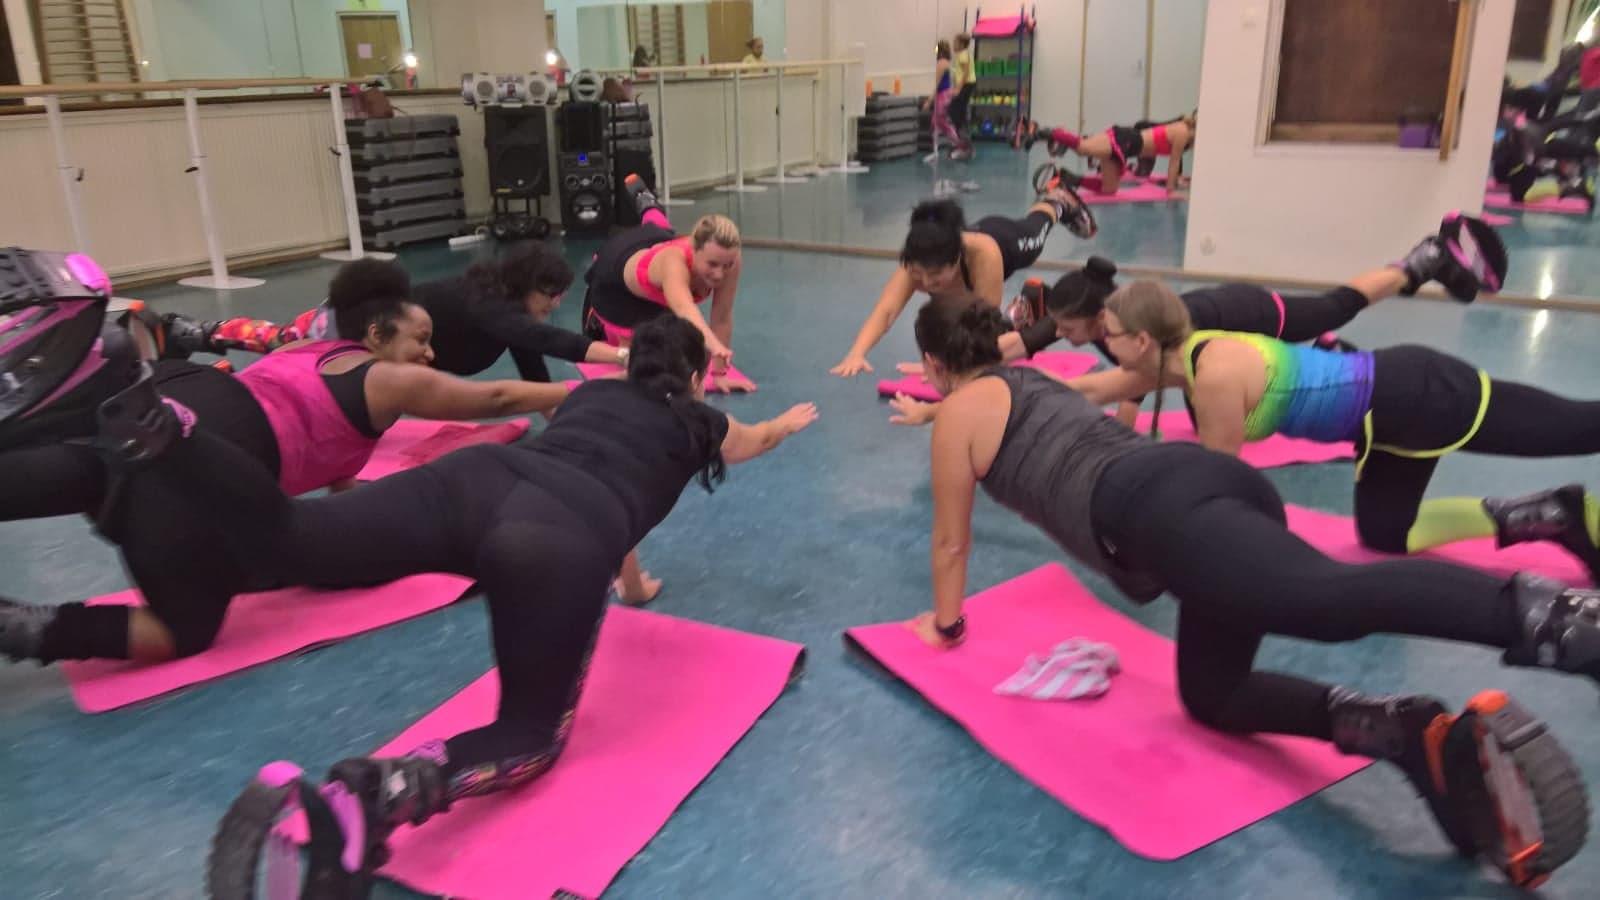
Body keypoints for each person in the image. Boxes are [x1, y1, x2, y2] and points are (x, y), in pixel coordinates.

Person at [904, 297, 1590, 889]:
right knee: (1214, 695)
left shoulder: (959, 413)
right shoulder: (1029, 378)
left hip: (1160, 512)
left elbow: (950, 543)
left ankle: (1556, 621)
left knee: (1323, 599)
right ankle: (1400, 730)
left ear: (934, 365)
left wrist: (946, 625)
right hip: (1198, 488)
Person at [160, 316, 817, 894]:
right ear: (696, 379)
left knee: (291, 537)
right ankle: (386, 792)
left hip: (475, 480)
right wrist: (782, 426)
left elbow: (609, 467)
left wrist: (634, 586)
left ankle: (168, 432)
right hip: (557, 536)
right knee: (529, 739)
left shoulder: (590, 394)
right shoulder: (701, 422)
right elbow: (749, 442)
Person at [0, 255, 579, 666]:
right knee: (183, 629)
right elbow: (495, 397)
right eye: (420, 340)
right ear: (377, 335)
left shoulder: (310, 345)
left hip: (192, 392)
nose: (430, 354)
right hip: (224, 448)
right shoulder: (389, 378)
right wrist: (584, 391)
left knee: (97, 474)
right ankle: (25, 629)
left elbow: (339, 494)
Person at [1053, 274, 1600, 581]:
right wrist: (1014, 386)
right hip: (1386, 422)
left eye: (1109, 333)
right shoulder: (1176, 356)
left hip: (1419, 395)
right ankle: (1553, 514)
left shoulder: (1214, 375)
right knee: (1386, 533)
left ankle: (1569, 513)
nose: (1103, 343)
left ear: (1141, 340)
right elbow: (1095, 389)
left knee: (1574, 428)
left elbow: (1217, 485)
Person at [154, 241, 623, 385]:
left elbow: (532, 365)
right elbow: (545, 341)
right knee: (281, 346)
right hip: (350, 324)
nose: (555, 305)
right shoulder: (490, 306)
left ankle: (206, 353)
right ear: (524, 286)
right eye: (550, 294)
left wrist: (562, 423)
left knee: (286, 359)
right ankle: (197, 333)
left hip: (377, 342)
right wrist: (620, 355)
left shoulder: (509, 315)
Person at [830, 190, 1096, 378]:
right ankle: (1028, 307)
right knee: (952, 307)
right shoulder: (916, 258)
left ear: (956, 259)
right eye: (919, 275)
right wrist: (857, 353)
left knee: (1037, 225)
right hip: (965, 249)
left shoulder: (984, 256)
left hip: (1011, 242)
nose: (926, 283)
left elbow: (983, 327)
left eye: (935, 275)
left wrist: (945, 365)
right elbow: (887, 310)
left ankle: (1056, 202)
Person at [580, 177, 751, 390]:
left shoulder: (729, 259)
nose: (719, 274)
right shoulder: (673, 262)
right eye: (712, 264)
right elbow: (684, 310)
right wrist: (713, 345)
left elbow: (722, 316)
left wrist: (719, 374)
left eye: (727, 265)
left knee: (659, 228)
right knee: (638, 366)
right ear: (694, 248)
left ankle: (646, 202)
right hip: (616, 283)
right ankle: (595, 320)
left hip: (652, 244)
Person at [1022, 111, 1196, 196]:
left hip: (1128, 148)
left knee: (1109, 190)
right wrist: (1170, 191)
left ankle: (1065, 178)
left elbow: (1169, 158)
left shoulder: (1187, 135)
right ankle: (1042, 133)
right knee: (1083, 148)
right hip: (1126, 140)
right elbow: (1174, 162)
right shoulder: (1182, 132)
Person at [925, 40, 973, 160]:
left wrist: (929, 100)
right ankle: (936, 151)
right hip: (946, 94)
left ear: (940, 51)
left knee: (943, 123)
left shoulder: (941, 64)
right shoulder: (948, 63)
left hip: (942, 96)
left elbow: (937, 85)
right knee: (935, 122)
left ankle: (960, 145)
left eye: (936, 49)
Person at [949, 34, 977, 144]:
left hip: (966, 85)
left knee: (954, 109)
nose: (954, 45)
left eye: (955, 43)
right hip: (965, 85)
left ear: (961, 44)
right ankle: (962, 135)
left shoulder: (963, 55)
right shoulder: (962, 55)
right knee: (959, 109)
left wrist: (958, 89)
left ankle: (961, 134)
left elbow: (965, 73)